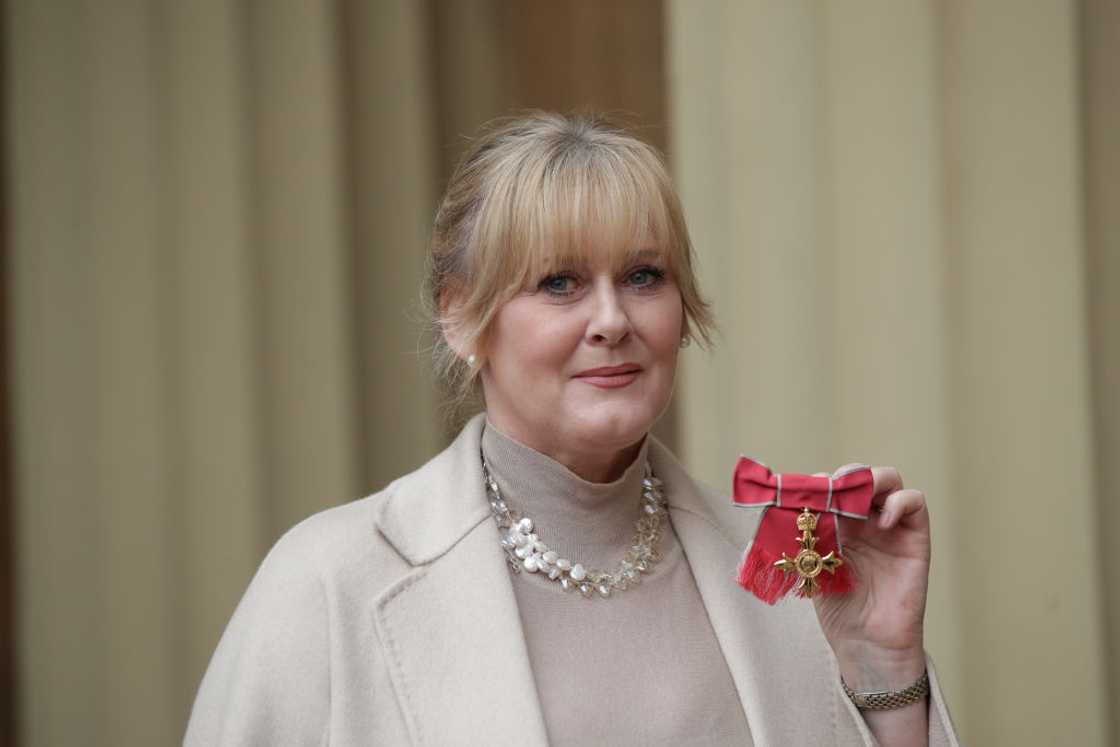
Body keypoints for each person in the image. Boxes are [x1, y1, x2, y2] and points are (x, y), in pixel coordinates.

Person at [185, 111, 960, 746]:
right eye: (559, 282)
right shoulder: (328, 581)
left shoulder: (788, 576)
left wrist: (882, 667)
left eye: (642, 276)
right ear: (462, 316)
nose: (613, 320)